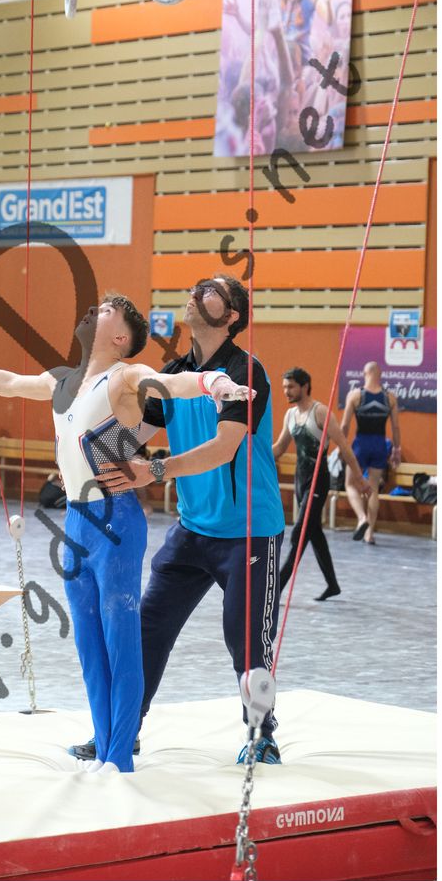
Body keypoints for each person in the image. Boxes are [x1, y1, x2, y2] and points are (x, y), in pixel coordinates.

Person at [0, 295, 253, 774]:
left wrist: (214, 382)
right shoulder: (61, 380)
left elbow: (173, 385)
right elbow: (9, 382)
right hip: (76, 522)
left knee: (121, 640)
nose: (92, 311)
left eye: (105, 311)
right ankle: (103, 745)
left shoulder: (124, 376)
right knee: (90, 647)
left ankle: (119, 758)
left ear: (119, 337)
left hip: (114, 521)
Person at [86, 274, 286, 765]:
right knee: (146, 629)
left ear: (231, 316)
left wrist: (154, 471)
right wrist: (87, 448)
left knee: (247, 644)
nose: (195, 294)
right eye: (195, 288)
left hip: (249, 533)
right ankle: (123, 732)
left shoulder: (245, 371)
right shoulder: (174, 374)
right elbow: (134, 434)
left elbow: (224, 448)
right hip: (193, 531)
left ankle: (262, 736)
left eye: (210, 291)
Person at [272, 367, 369, 601]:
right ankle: (332, 585)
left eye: (291, 386)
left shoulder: (320, 412)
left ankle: (275, 591)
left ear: (304, 386)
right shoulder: (290, 415)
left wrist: (359, 478)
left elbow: (344, 447)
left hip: (318, 480)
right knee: (314, 533)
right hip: (300, 479)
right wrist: (254, 456)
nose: (286, 391)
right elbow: (280, 448)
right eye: (284, 387)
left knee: (299, 533)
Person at [341, 362, 402, 544]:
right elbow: (396, 427)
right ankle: (370, 534)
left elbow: (344, 425)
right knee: (373, 488)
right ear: (380, 374)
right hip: (380, 444)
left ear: (364, 373)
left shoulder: (355, 396)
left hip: (361, 444)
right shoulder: (390, 398)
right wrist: (396, 450)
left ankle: (362, 518)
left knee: (350, 484)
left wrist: (342, 446)